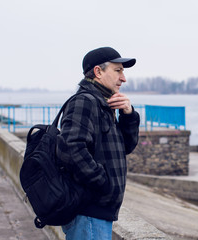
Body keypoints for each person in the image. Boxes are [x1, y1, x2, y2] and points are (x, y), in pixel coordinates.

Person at [56, 47, 140, 239]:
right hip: (89, 210)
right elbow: (70, 148)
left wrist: (128, 115)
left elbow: (125, 147)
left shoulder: (103, 103)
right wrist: (102, 183)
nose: (123, 78)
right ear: (98, 72)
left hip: (97, 211)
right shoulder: (85, 102)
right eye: (118, 70)